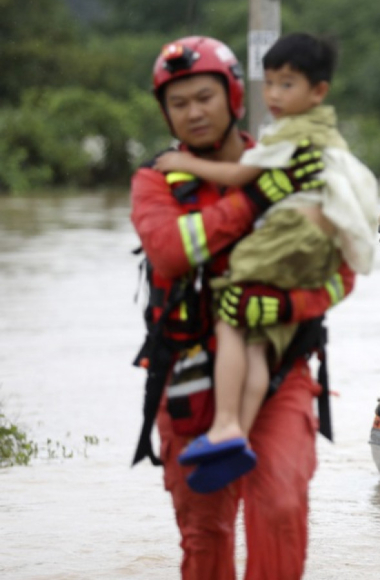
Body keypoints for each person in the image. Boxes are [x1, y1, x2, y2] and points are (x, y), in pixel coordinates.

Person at [131, 35, 355, 579]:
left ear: (232, 96)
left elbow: (342, 272)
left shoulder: (294, 162)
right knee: (204, 533)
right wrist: (255, 198)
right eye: (178, 103)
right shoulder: (156, 181)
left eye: (204, 97)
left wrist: (282, 303)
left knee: (279, 506)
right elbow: (169, 251)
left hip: (281, 369)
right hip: (187, 377)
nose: (193, 112)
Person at [152, 32, 377, 492]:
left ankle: (229, 423)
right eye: (269, 83)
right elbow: (168, 250)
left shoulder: (287, 138)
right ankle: (235, 431)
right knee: (255, 340)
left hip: (285, 243)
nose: (274, 95)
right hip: (308, 254)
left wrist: (183, 163)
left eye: (287, 85)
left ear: (317, 91)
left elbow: (238, 175)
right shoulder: (323, 133)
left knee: (231, 315)